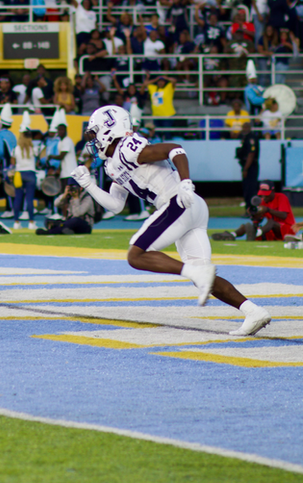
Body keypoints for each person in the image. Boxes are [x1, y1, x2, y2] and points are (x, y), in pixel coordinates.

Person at [71, 105, 272, 336]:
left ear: (109, 129)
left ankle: (196, 273)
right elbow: (116, 205)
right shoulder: (112, 164)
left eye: (95, 133)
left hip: (178, 201)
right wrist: (90, 186)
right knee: (202, 277)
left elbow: (174, 149)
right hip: (191, 207)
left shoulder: (128, 147)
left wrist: (185, 182)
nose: (93, 140)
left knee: (136, 255)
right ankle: (253, 311)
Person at [212, 182, 296, 242]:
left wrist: (268, 210)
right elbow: (259, 220)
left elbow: (284, 216)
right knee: (247, 226)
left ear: (273, 191)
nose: (264, 196)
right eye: (262, 194)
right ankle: (232, 235)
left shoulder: (281, 197)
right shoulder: (263, 201)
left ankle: (256, 234)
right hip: (270, 230)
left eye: (266, 194)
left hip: (287, 230)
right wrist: (254, 215)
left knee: (272, 222)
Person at [236, 122, 260, 211]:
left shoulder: (251, 138)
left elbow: (251, 154)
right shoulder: (244, 137)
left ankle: (252, 209)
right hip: (246, 165)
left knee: (251, 189)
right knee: (246, 188)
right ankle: (248, 209)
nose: (244, 129)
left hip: (251, 166)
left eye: (245, 127)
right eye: (243, 127)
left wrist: (246, 169)